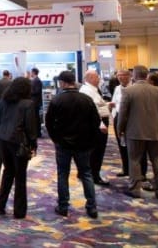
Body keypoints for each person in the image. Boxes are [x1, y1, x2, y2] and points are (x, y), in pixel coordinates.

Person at [45, 70, 99, 219]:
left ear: (62, 83)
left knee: (63, 174)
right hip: (83, 143)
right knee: (86, 174)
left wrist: (56, 139)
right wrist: (91, 141)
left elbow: (49, 123)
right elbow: (95, 122)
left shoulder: (57, 100)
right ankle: (92, 207)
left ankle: (63, 206)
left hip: (63, 144)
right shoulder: (86, 99)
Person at [118, 65, 158, 200]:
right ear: (146, 75)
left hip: (134, 132)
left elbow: (123, 114)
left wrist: (120, 130)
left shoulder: (128, 91)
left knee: (134, 160)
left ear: (134, 76)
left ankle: (135, 190)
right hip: (156, 131)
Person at [0, 77, 37, 219]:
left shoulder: (3, 101)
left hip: (2, 139)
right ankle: (19, 211)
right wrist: (33, 144)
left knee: (8, 171)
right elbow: (30, 128)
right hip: (19, 142)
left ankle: (0, 204)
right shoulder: (28, 104)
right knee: (20, 176)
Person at [79, 70, 111, 186]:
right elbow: (92, 110)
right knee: (97, 151)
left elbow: (97, 105)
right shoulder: (87, 91)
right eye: (97, 77)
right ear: (90, 78)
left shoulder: (92, 89)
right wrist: (100, 124)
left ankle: (87, 173)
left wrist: (107, 105)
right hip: (97, 124)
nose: (99, 79)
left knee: (94, 151)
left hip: (97, 123)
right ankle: (94, 175)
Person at [111, 69, 132, 177]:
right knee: (121, 144)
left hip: (131, 119)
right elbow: (114, 103)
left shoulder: (133, 88)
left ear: (129, 76)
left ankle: (138, 171)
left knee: (134, 145)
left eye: (123, 75)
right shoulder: (117, 88)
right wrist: (114, 116)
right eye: (118, 75)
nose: (120, 77)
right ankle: (126, 169)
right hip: (118, 118)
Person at [29, 67, 43, 138]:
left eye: (31, 72)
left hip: (35, 102)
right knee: (35, 118)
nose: (30, 73)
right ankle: (36, 133)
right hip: (34, 102)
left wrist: (29, 91)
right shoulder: (34, 80)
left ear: (34, 72)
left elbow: (37, 91)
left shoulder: (37, 80)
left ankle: (38, 133)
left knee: (36, 118)